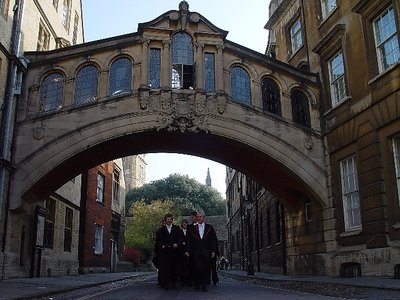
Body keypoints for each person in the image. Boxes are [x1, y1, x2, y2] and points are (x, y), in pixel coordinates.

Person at [186, 211, 217, 292]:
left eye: (201, 217)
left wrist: (214, 251)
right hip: (196, 252)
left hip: (206, 251)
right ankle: (197, 283)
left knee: (205, 268)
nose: (199, 218)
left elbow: (213, 240)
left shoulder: (209, 228)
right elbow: (189, 240)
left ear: (204, 217)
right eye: (198, 217)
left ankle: (204, 285)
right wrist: (187, 250)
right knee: (198, 268)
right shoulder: (193, 228)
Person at [154, 214, 181, 290]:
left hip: (174, 252)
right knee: (165, 269)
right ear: (165, 221)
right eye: (167, 219)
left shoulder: (176, 228)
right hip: (164, 252)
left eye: (170, 219)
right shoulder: (161, 230)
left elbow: (180, 238)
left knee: (174, 268)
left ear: (172, 220)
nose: (169, 221)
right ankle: (166, 284)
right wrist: (161, 245)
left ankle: (173, 283)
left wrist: (177, 244)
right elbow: (158, 241)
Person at [177, 219, 191, 287]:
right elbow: (178, 240)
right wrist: (182, 243)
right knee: (181, 267)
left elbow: (190, 241)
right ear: (181, 224)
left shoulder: (189, 231)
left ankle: (188, 281)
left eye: (185, 223)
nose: (184, 224)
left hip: (188, 251)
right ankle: (182, 281)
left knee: (188, 267)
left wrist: (188, 251)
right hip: (181, 252)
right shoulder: (179, 231)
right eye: (183, 223)